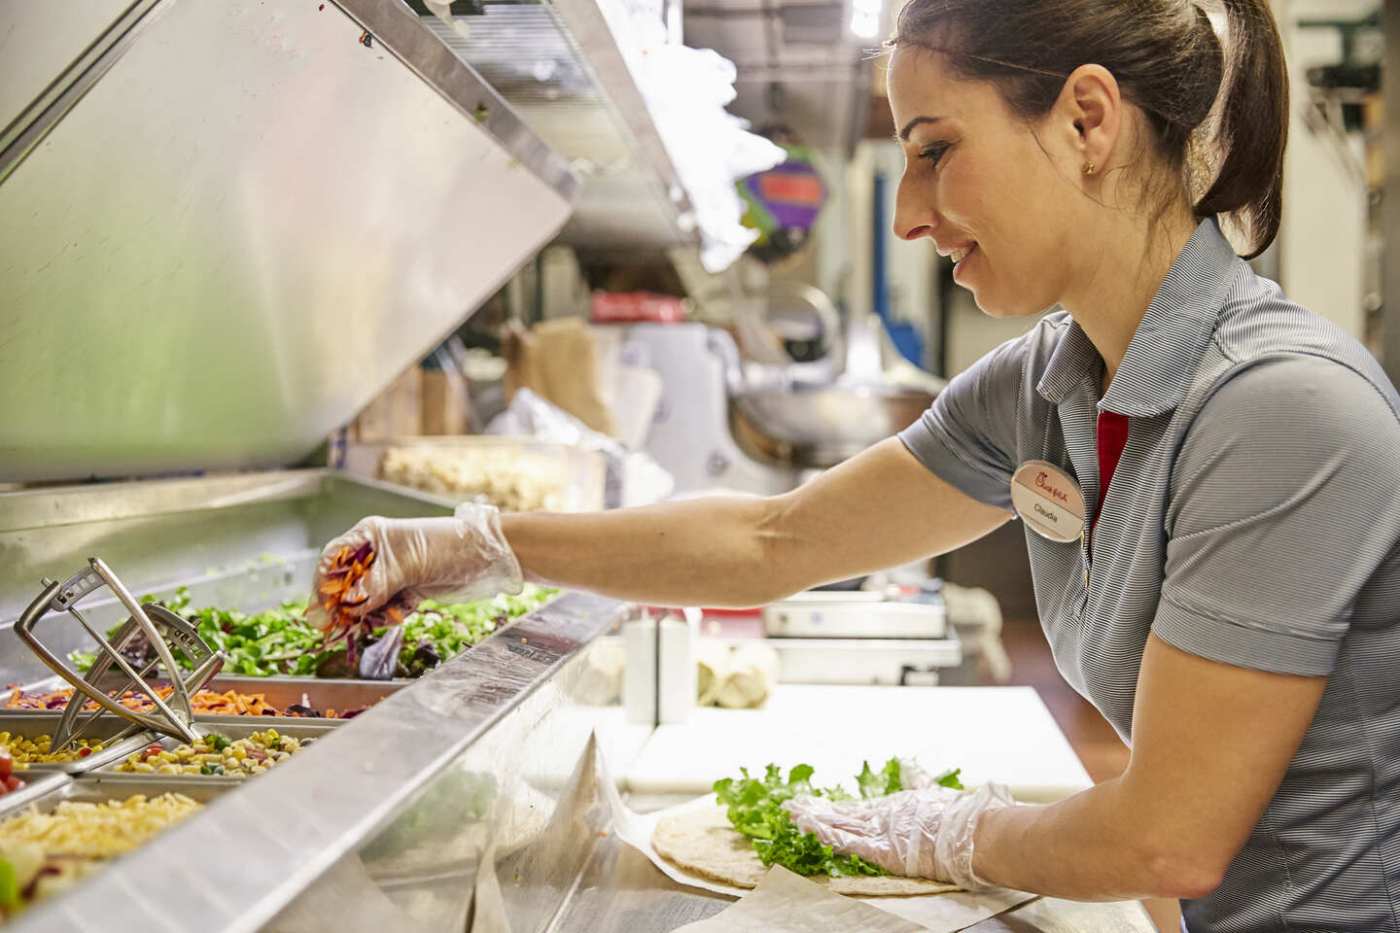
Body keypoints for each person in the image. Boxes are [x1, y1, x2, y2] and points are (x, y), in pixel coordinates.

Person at [309, 0, 1400, 928]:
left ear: (1084, 121)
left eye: (933, 150)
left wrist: (951, 834)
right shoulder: (1044, 385)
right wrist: (480, 544)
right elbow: (769, 540)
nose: (911, 214)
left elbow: (1165, 842)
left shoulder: (1282, 411)